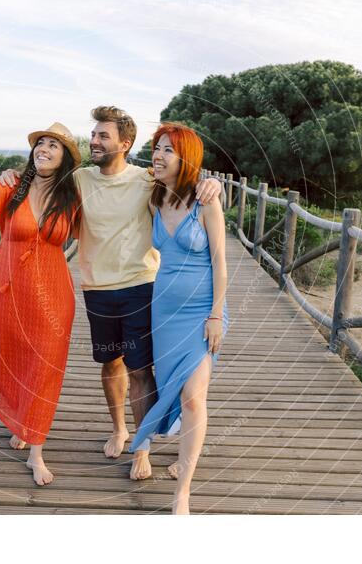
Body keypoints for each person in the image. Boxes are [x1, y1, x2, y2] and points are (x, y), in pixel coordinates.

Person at [0, 106, 222, 480]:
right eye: (94, 134)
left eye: (103, 136)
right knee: (110, 365)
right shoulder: (79, 179)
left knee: (139, 370)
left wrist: (211, 182)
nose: (95, 141)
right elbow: (39, 180)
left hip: (141, 287)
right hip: (96, 289)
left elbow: (186, 181)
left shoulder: (148, 179)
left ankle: (142, 447)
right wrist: (12, 175)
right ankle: (119, 428)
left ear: (125, 144)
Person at [0, 116, 82, 486]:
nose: (44, 149)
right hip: (8, 291)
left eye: (53, 145)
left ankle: (36, 452)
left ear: (65, 159)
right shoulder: (11, 186)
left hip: (54, 296)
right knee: (14, 360)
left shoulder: (71, 196)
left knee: (44, 368)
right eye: (40, 143)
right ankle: (21, 422)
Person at [128, 123, 228, 515]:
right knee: (172, 388)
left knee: (192, 397)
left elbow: (221, 262)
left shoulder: (206, 202)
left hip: (202, 309)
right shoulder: (154, 198)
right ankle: (179, 455)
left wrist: (216, 314)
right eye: (156, 147)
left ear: (185, 158)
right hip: (164, 309)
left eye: (168, 149)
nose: (158, 154)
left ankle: (182, 491)